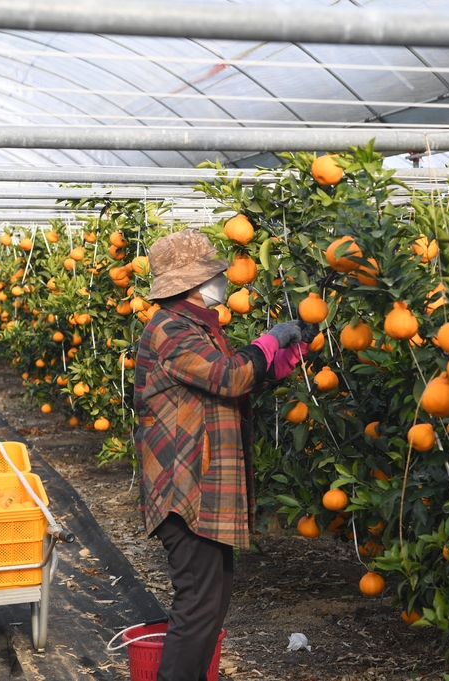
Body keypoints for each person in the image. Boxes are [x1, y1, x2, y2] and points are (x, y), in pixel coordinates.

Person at [133, 229, 313, 681]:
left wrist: (279, 363)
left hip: (203, 489)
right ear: (192, 284)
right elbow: (228, 376)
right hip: (185, 491)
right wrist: (268, 342)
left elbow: (230, 384)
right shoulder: (170, 329)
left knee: (209, 608)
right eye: (213, 274)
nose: (223, 281)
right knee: (197, 607)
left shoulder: (195, 328)